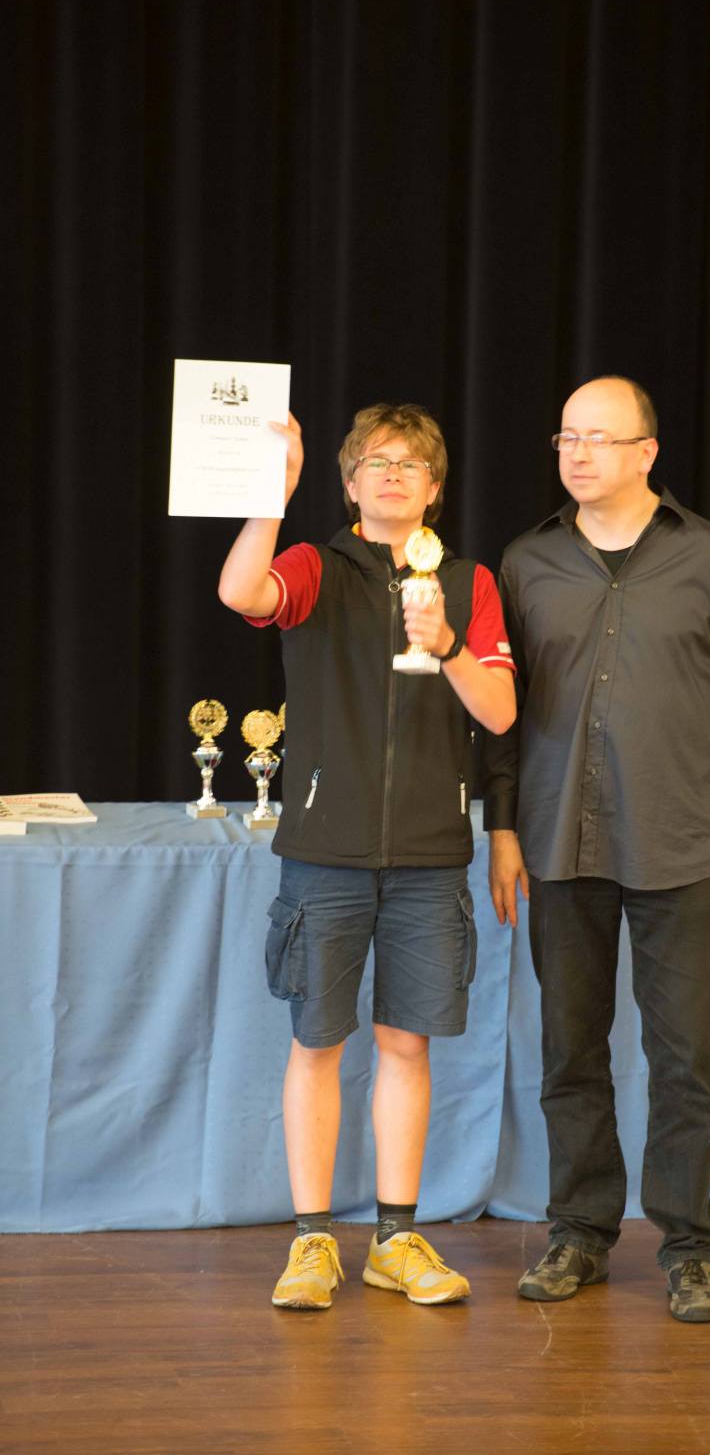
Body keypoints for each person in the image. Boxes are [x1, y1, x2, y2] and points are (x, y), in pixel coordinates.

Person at [485, 376, 710, 1323]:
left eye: (599, 438)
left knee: (686, 1056)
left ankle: (690, 1249)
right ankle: (579, 1233)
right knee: (569, 1052)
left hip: (678, 847)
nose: (578, 454)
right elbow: (497, 714)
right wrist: (503, 826)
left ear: (646, 452)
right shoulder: (527, 561)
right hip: (558, 843)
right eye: (566, 437)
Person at [219, 403, 516, 1310]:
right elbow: (241, 592)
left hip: (429, 856)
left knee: (405, 1045)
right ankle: (313, 1241)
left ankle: (395, 1237)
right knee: (316, 1043)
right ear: (349, 484)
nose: (393, 475)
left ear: (435, 487)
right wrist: (270, 499)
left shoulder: (468, 582)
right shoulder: (317, 567)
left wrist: (447, 644)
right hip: (326, 852)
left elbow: (500, 712)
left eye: (410, 464)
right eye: (375, 463)